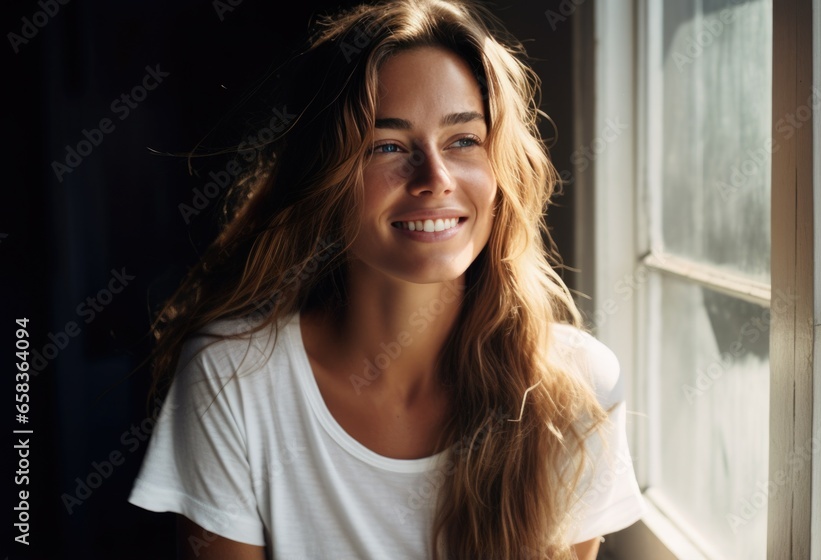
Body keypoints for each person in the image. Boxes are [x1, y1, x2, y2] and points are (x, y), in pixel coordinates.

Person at [127, 0, 644, 558]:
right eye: (388, 146)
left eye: (463, 140)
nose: (435, 179)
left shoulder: (577, 386)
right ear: (324, 175)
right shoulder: (232, 379)